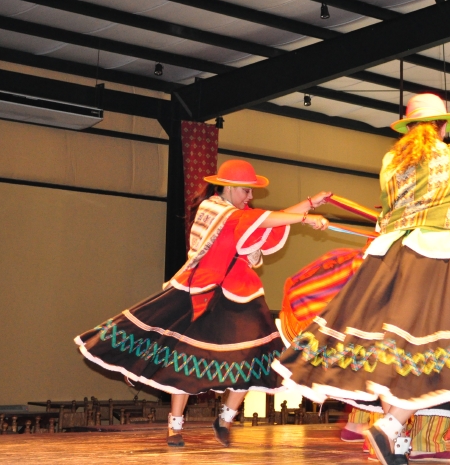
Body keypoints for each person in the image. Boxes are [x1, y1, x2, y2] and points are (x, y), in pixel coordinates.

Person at [273, 93, 450, 465]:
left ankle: (396, 439)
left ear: (409, 128)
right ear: (442, 126)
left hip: (389, 254)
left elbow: (388, 210)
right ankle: (389, 427)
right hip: (436, 255)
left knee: (398, 351)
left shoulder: (392, 160)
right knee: (439, 349)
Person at [75, 159, 331, 447]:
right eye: (246, 190)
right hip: (204, 288)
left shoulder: (243, 214)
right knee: (185, 356)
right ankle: (174, 425)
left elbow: (271, 218)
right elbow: (266, 219)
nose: (250, 196)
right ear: (229, 187)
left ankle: (225, 419)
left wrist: (311, 203)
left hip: (241, 290)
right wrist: (305, 217)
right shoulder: (215, 210)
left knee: (255, 357)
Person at [279, 247, 450, 462]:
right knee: (431, 365)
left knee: (393, 370)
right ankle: (398, 434)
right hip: (419, 272)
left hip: (393, 277)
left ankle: (395, 444)